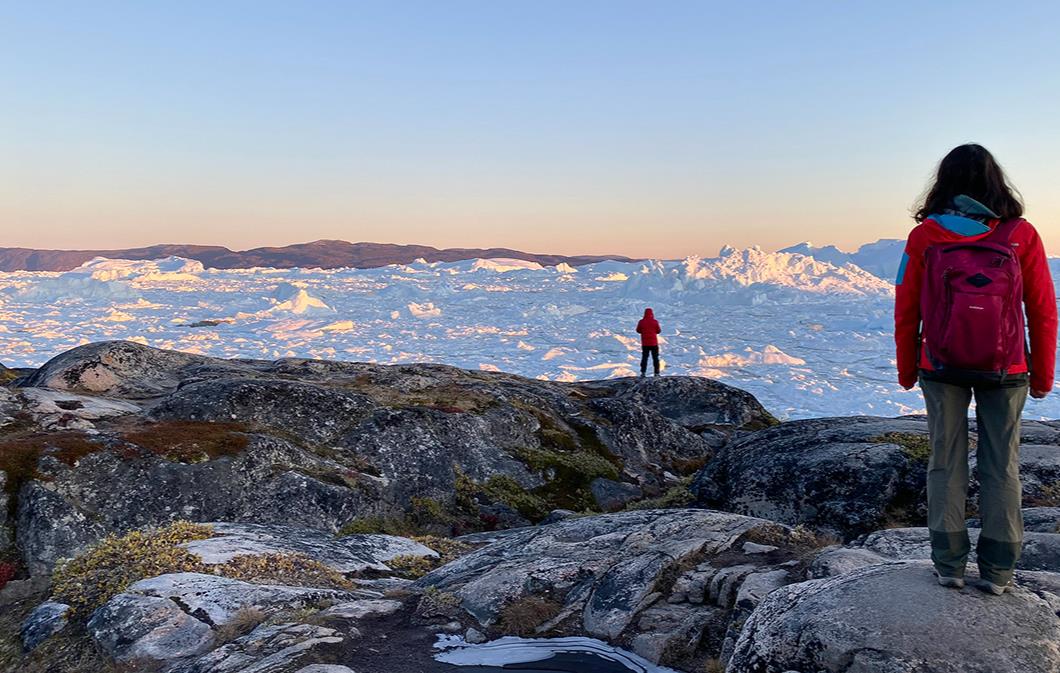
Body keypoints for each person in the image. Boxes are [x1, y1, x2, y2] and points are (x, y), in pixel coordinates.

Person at [895, 143, 1057, 595]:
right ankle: (999, 572)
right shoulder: (1021, 234)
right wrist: (1042, 374)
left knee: (945, 462)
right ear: (997, 181)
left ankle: (948, 565)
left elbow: (906, 309)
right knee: (1001, 465)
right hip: (1007, 368)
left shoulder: (925, 237)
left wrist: (909, 368)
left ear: (942, 182)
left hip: (941, 365)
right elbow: (1043, 311)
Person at [636, 307, 661, 377]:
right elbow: (658, 331)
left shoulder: (641, 321)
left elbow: (638, 330)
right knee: (655, 358)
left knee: (644, 358)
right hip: (654, 343)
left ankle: (643, 373)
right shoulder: (655, 322)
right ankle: (656, 373)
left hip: (645, 343)